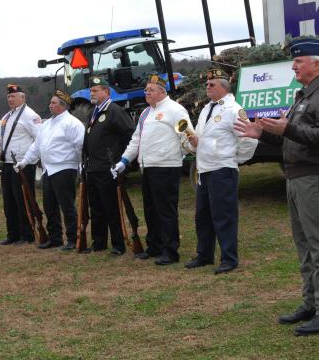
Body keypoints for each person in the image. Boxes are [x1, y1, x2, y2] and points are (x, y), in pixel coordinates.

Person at [235, 38, 319, 336]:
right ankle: (311, 303)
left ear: (317, 64)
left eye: (299, 61)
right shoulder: (304, 95)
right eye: (293, 61)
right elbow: (294, 137)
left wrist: (288, 128)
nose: (294, 65)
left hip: (316, 177)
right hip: (297, 177)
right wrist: (262, 134)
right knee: (305, 243)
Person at [111, 75, 192, 265]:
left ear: (162, 92)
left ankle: (170, 250)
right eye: (146, 90)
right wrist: (124, 160)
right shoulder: (146, 113)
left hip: (166, 167)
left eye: (151, 90)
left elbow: (187, 135)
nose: (147, 93)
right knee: (150, 209)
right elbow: (136, 140)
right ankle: (154, 246)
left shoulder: (175, 110)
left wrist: (184, 152)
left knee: (165, 210)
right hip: (147, 167)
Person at [184, 69, 257, 274]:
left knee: (223, 216)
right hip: (204, 169)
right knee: (203, 216)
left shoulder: (234, 109)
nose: (207, 87)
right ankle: (204, 255)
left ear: (224, 87)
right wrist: (195, 143)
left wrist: (233, 160)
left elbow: (248, 140)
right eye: (207, 84)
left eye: (212, 84)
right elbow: (201, 137)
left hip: (222, 170)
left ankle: (229, 258)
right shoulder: (207, 108)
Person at [15, 89, 84, 251]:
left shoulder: (72, 123)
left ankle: (73, 239)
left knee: (67, 206)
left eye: (54, 103)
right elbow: (36, 146)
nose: (50, 105)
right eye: (51, 102)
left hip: (65, 168)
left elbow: (79, 146)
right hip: (49, 169)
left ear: (63, 106)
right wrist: (24, 162)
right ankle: (55, 238)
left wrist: (81, 165)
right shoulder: (47, 124)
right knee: (49, 206)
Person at [0, 84, 41, 245]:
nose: (10, 99)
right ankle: (12, 234)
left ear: (23, 97)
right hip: (6, 163)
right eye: (8, 97)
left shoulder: (30, 115)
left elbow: (39, 139)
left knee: (23, 200)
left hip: (22, 165)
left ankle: (27, 234)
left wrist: (29, 159)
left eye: (14, 96)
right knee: (9, 201)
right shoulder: (6, 117)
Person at [82, 76, 135, 255]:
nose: (92, 93)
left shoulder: (115, 111)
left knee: (111, 207)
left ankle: (118, 244)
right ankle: (99, 242)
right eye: (91, 91)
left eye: (95, 90)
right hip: (93, 167)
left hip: (108, 168)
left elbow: (130, 134)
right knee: (96, 208)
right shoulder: (93, 111)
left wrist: (122, 161)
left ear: (106, 92)